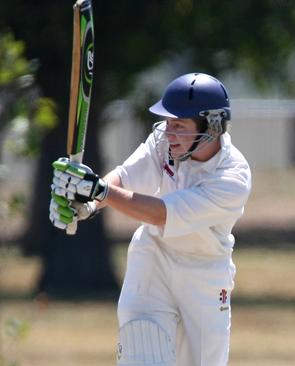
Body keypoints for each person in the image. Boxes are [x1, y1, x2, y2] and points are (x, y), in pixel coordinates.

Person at [49, 72, 252, 366]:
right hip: (153, 260)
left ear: (213, 126)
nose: (169, 133)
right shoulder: (164, 142)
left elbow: (161, 213)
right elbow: (126, 177)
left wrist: (99, 190)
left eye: (179, 125)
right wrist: (88, 204)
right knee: (142, 353)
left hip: (205, 275)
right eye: (168, 123)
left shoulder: (232, 178)